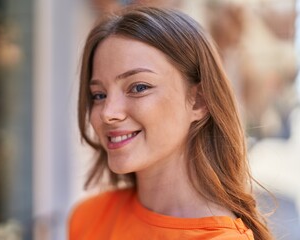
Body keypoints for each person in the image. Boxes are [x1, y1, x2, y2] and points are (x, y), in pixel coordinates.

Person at [69, 6, 273, 240]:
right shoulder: (88, 217)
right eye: (99, 95)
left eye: (139, 87)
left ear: (198, 102)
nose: (107, 113)